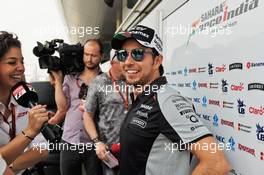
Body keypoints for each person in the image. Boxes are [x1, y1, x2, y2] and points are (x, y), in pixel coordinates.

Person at [111, 25, 231, 175]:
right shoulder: (142, 96)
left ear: (157, 61)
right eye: (122, 54)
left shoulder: (167, 100)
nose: (127, 62)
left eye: (137, 53)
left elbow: (216, 164)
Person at [48, 39, 103, 175]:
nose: (89, 59)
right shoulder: (70, 78)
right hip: (69, 141)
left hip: (94, 145)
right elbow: (62, 107)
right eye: (86, 54)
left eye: (94, 55)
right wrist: (58, 82)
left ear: (102, 56)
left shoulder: (106, 81)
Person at [0, 31, 49, 174]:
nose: (21, 67)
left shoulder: (25, 98)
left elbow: (42, 149)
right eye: (12, 62)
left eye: (21, 61)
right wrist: (30, 131)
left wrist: (10, 167)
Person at [83, 49, 129, 175]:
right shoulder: (98, 83)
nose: (128, 64)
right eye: (123, 61)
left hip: (132, 147)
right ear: (112, 62)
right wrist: (97, 142)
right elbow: (87, 115)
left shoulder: (134, 80)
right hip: (109, 150)